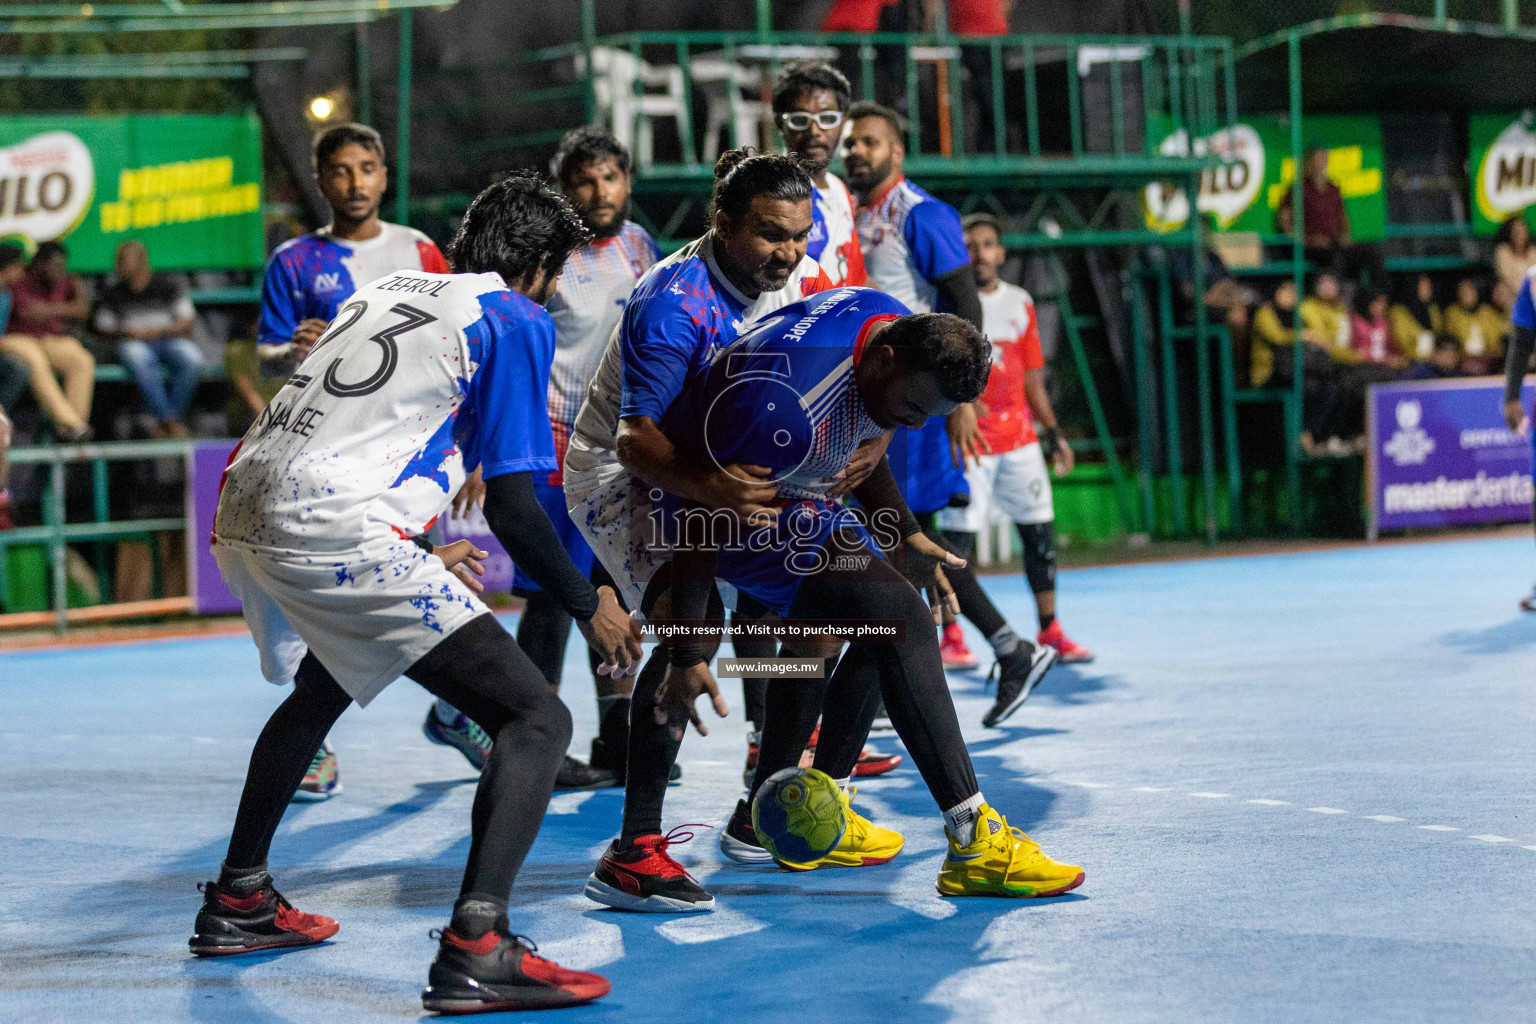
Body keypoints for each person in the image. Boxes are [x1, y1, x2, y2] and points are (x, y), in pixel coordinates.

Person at [190, 172, 641, 1014]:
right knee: (537, 718)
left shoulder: (392, 287)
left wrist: (419, 541)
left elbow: (365, 424)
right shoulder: (515, 317)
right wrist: (590, 601)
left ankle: (239, 898)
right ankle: (479, 944)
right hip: (332, 522)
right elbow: (511, 506)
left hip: (247, 498)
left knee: (321, 684)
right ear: (542, 263)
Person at [584, 288, 1086, 909]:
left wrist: (904, 531)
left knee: (886, 619)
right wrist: (688, 650)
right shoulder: (780, 403)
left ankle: (785, 809)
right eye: (912, 408)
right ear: (886, 360)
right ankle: (972, 838)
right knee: (725, 632)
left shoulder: (877, 326)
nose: (912, 424)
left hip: (781, 489)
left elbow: (862, 423)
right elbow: (700, 513)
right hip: (673, 494)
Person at [563, 150, 842, 902]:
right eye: (770, 235)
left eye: (800, 235)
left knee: (832, 604)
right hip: (628, 474)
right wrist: (718, 492)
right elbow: (635, 443)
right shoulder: (673, 301)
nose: (788, 252)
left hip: (724, 458)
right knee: (691, 640)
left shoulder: (801, 282)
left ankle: (765, 804)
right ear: (721, 223)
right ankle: (635, 850)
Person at [255, 122, 481, 795]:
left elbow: (460, 346)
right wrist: (289, 352)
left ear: (384, 175)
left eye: (366, 168)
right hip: (319, 462)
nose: (354, 183)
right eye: (339, 171)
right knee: (316, 606)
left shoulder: (421, 251)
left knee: (436, 585)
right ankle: (314, 740)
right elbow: (265, 354)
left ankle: (454, 713)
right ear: (320, 180)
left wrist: (468, 449)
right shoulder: (293, 262)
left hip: (408, 457)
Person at [843, 100, 1055, 720]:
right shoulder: (855, 210)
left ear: (897, 152)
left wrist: (965, 397)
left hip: (910, 403)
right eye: (851, 142)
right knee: (911, 542)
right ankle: (1009, 649)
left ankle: (880, 685)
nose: (856, 150)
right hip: (878, 395)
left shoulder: (923, 213)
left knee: (902, 541)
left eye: (870, 141)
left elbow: (966, 302)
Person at [501, 126, 661, 791]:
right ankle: (525, 739)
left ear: (626, 179)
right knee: (549, 600)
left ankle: (616, 738)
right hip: (555, 450)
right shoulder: (544, 259)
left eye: (610, 178)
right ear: (564, 190)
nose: (600, 192)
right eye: (584, 181)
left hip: (618, 455)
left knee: (617, 593)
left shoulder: (642, 246)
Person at [946, 213, 1093, 664]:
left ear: (1001, 253)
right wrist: (960, 405)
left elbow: (1033, 381)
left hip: (1021, 444)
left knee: (1041, 539)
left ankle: (1050, 630)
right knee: (955, 550)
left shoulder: (1020, 302)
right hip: (971, 445)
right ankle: (951, 636)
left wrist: (1054, 436)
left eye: (989, 244)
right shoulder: (948, 306)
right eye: (971, 245)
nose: (980, 253)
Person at [93, 240, 204, 438]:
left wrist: (162, 329)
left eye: (123, 260)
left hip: (167, 340)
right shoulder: (113, 292)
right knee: (137, 356)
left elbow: (187, 319)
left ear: (141, 261)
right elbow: (103, 328)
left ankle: (164, 421)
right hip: (133, 343)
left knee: (192, 358)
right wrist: (128, 333)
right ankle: (169, 421)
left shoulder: (167, 285)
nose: (118, 265)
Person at [3, 240, 94, 441]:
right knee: (35, 360)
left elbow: (84, 309)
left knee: (80, 358)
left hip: (48, 338)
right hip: (14, 338)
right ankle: (70, 422)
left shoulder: (65, 279)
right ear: (39, 263)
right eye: (54, 265)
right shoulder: (18, 277)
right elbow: (26, 312)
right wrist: (63, 309)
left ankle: (74, 429)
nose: (59, 270)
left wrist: (48, 310)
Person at [1250, 278, 1339, 456]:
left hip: (1298, 370)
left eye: (1294, 292)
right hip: (1270, 374)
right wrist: (1304, 335)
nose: (1290, 296)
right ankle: (1293, 445)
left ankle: (1310, 434)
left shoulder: (1298, 317)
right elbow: (1277, 337)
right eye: (1286, 291)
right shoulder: (1265, 313)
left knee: (1329, 388)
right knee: (1302, 384)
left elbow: (1319, 338)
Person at [1275, 147, 1383, 287]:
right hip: (1313, 248)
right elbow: (1284, 219)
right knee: (1332, 256)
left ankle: (1375, 299)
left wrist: (1346, 237)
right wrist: (1305, 240)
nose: (1320, 164)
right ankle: (1334, 298)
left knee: (1371, 253)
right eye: (1316, 160)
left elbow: (1343, 218)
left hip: (1335, 244)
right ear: (1309, 163)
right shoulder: (1298, 189)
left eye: (1323, 159)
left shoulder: (1333, 189)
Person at [1444, 278, 1504, 375]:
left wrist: (1487, 354)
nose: (1469, 295)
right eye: (1464, 292)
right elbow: (1452, 341)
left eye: (1471, 291)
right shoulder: (1452, 313)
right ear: (1458, 295)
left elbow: (1496, 342)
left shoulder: (1487, 312)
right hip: (1464, 360)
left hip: (1489, 358)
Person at [1389, 274, 1442, 363]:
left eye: (1429, 287)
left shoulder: (1433, 310)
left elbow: (1439, 335)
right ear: (1413, 287)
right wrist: (1422, 356)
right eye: (1423, 287)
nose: (1428, 291)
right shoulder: (1398, 311)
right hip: (1409, 362)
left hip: (1433, 362)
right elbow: (1402, 344)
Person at [1349, 290, 1407, 370]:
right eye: (1378, 302)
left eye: (1384, 302)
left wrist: (1396, 359)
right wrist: (1385, 361)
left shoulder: (1385, 322)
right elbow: (1356, 352)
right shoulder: (1355, 321)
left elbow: (1391, 348)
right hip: (1362, 366)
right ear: (1369, 303)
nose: (1382, 306)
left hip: (1384, 365)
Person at [1494, 216, 1536, 298]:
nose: (1521, 235)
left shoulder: (1533, 252)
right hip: (1512, 295)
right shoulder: (1503, 251)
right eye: (1517, 232)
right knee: (1502, 290)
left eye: (1523, 231)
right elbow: (1506, 279)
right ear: (1510, 233)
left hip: (1532, 293)